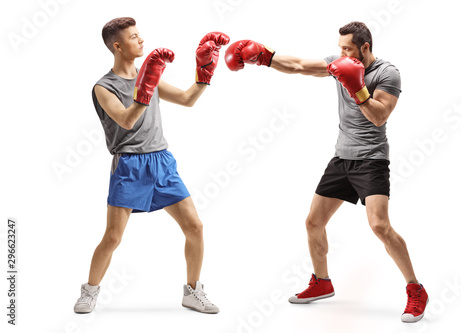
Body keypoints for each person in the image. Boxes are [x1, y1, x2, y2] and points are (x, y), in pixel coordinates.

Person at [224, 21, 428, 323]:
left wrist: (357, 87)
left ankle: (416, 290)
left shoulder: (387, 73)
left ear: (365, 47)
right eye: (340, 49)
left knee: (379, 226)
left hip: (371, 160)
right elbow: (297, 66)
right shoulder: (339, 63)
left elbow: (379, 116)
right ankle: (322, 282)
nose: (342, 54)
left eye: (348, 49)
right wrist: (264, 57)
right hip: (341, 159)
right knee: (313, 221)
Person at [74, 17, 229, 314]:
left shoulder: (151, 74)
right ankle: (89, 291)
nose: (141, 40)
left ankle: (193, 291)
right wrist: (146, 84)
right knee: (113, 237)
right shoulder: (103, 87)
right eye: (134, 37)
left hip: (161, 161)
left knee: (194, 226)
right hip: (130, 165)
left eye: (140, 34)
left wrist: (205, 73)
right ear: (118, 46)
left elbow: (186, 99)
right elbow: (126, 120)